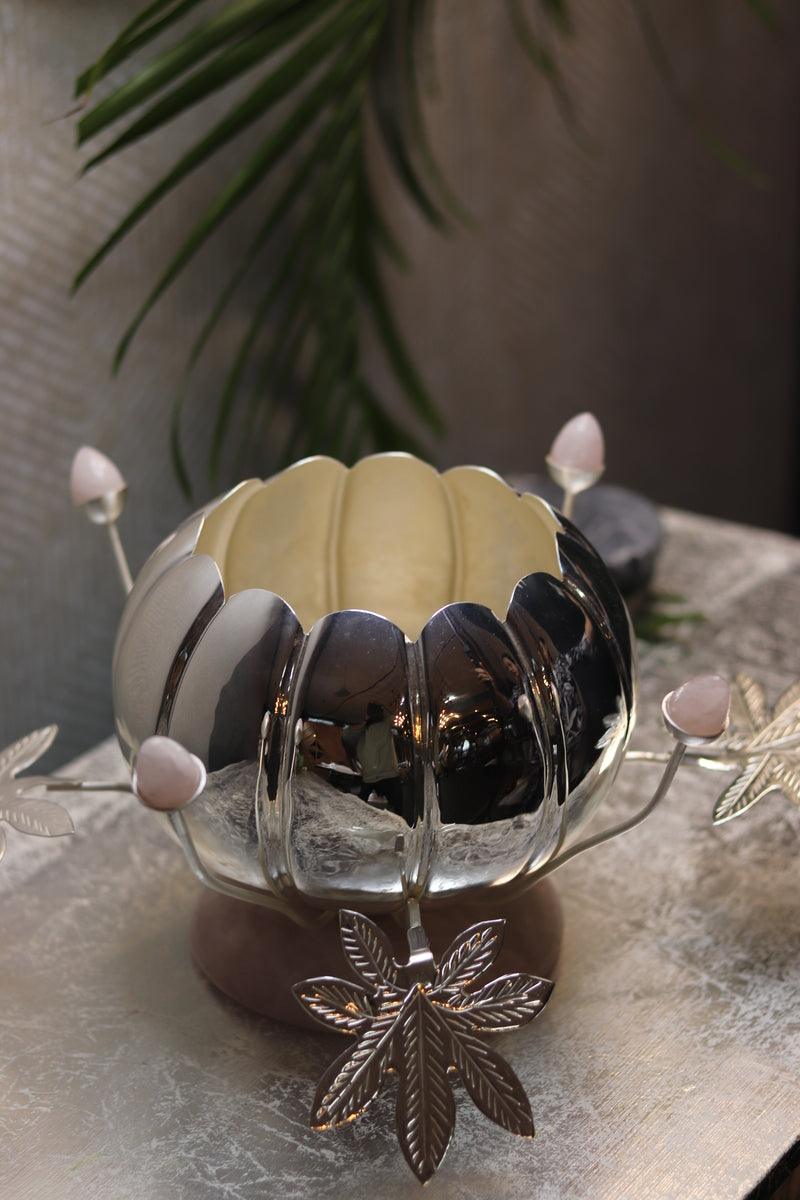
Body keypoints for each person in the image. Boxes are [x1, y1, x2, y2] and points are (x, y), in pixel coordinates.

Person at [356, 703, 403, 815]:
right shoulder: (387, 724)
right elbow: (397, 718)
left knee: (359, 805)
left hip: (370, 776)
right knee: (398, 807)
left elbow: (359, 749)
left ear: (368, 715)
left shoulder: (364, 731)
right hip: (389, 774)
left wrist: (365, 767)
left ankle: (357, 820)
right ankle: (398, 822)